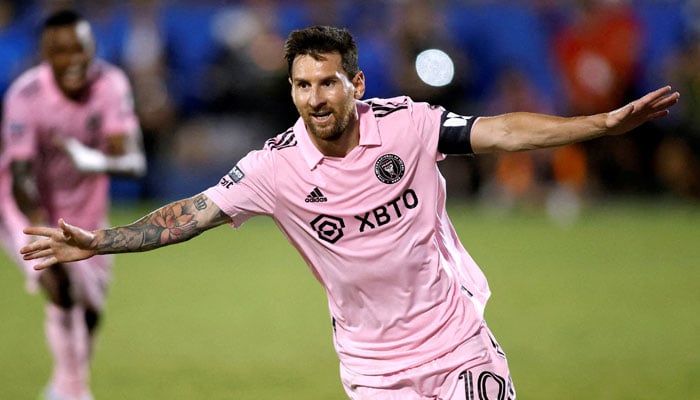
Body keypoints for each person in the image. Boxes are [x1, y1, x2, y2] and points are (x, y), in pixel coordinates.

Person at [21, 26, 679, 400]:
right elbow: (189, 214)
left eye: (327, 82)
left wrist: (601, 123)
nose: (315, 97)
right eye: (302, 85)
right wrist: (102, 241)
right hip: (372, 370)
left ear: (355, 85)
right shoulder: (273, 167)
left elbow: (503, 131)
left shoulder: (410, 126)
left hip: (457, 342)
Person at [0, 9, 146, 400]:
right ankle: (74, 392)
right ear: (45, 55)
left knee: (91, 312)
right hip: (25, 211)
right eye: (60, 51)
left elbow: (134, 162)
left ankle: (60, 387)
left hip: (85, 211)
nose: (72, 59)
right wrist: (43, 228)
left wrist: (93, 160)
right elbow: (21, 177)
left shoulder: (111, 85)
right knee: (60, 284)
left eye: (79, 49)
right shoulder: (26, 96)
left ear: (92, 48)